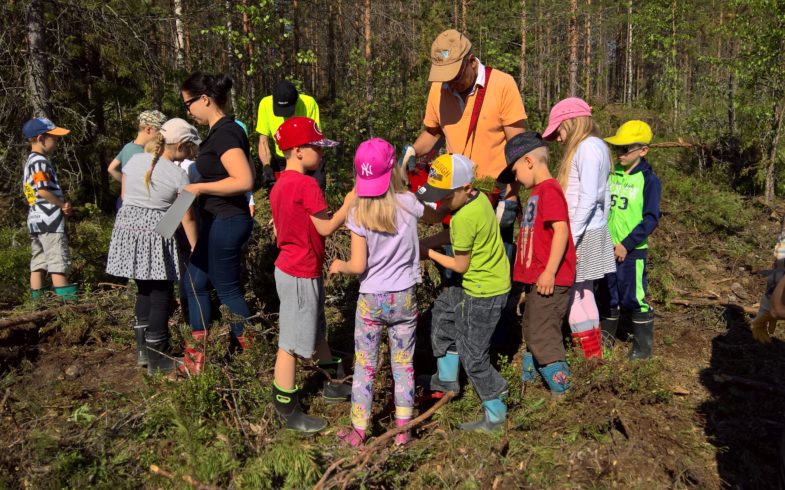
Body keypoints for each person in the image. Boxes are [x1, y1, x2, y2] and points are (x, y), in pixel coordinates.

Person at [328, 138, 446, 447]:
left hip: (371, 301)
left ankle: (358, 431)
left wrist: (340, 265)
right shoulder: (409, 202)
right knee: (403, 364)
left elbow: (358, 264)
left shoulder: (358, 212)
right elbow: (436, 214)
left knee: (365, 367)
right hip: (405, 297)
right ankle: (403, 430)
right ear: (393, 169)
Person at [403, 29, 527, 256]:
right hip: (453, 190)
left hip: (494, 191)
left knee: (492, 265)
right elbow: (432, 133)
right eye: (445, 76)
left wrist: (510, 197)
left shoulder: (502, 84)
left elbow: (519, 147)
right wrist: (413, 150)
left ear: (471, 61)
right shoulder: (439, 89)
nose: (451, 82)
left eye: (456, 76)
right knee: (456, 255)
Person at [269, 116, 354, 433]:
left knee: (315, 330)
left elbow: (283, 227)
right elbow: (327, 228)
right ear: (299, 151)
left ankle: (334, 382)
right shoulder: (307, 185)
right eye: (318, 147)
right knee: (290, 343)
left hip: (291, 268)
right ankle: (286, 408)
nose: (322, 152)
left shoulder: (279, 185)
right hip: (301, 272)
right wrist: (348, 204)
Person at [419, 154, 511, 432]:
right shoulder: (479, 199)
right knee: (445, 310)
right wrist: (425, 242)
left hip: (482, 290)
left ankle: (496, 407)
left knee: (474, 354)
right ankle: (447, 379)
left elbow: (460, 263)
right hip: (491, 281)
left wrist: (429, 253)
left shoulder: (462, 218)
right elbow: (455, 237)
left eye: (445, 198)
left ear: (466, 188)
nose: (441, 204)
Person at [105, 119, 199, 375]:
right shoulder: (180, 174)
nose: (191, 152)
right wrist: (195, 248)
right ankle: (159, 358)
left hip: (127, 227)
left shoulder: (134, 161)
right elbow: (186, 217)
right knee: (161, 294)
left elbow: (125, 196)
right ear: (180, 145)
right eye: (190, 147)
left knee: (144, 290)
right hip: (156, 231)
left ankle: (142, 352)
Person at [178, 72, 256, 374]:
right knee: (194, 283)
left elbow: (244, 179)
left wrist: (198, 188)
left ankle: (253, 357)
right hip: (214, 220)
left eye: (188, 104)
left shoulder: (226, 133)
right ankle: (194, 362)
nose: (188, 111)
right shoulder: (219, 132)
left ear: (205, 99)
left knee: (227, 291)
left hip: (228, 220)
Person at [497, 132, 576, 396]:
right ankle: (530, 389)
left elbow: (561, 230)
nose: (516, 179)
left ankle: (562, 390)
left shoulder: (550, 190)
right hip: (537, 280)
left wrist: (550, 271)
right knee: (531, 328)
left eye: (516, 171)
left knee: (543, 333)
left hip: (550, 279)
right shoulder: (536, 193)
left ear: (529, 161)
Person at [542, 97, 616, 360]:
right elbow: (604, 196)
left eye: (559, 130)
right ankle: (594, 355)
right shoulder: (597, 147)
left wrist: (570, 236)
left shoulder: (587, 148)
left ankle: (588, 356)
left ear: (571, 122)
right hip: (591, 229)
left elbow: (588, 198)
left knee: (575, 294)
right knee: (585, 293)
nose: (559, 138)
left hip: (581, 233)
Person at [597, 121, 661, 359]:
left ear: (643, 150)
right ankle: (605, 342)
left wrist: (627, 243)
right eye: (617, 149)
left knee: (634, 297)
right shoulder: (612, 174)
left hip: (632, 251)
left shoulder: (649, 180)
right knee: (607, 294)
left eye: (626, 149)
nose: (620, 154)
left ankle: (642, 350)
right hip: (606, 247)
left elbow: (651, 218)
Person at [22, 117, 76, 301]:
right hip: (49, 221)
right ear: (40, 138)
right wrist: (62, 205)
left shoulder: (30, 161)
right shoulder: (40, 162)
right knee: (57, 263)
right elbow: (43, 191)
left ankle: (37, 305)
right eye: (54, 137)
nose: (57, 141)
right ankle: (69, 310)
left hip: (35, 220)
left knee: (38, 263)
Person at [256, 80, 323, 189]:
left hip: (307, 156)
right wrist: (266, 166)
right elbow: (263, 141)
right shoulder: (265, 104)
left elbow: (315, 140)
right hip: (283, 159)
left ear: (297, 101)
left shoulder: (309, 103)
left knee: (315, 192)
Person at [108, 111, 168, 185]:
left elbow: (111, 168)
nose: (162, 136)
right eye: (159, 132)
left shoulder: (127, 147)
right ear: (148, 129)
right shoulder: (148, 153)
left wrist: (126, 184)